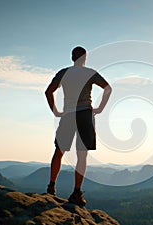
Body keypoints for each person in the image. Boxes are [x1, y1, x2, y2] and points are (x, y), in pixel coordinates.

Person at [45, 46, 112, 206]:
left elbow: (49, 91)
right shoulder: (90, 73)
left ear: (72, 57)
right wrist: (100, 108)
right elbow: (108, 88)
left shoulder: (63, 73)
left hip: (68, 115)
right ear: (85, 58)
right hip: (85, 115)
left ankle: (51, 187)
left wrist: (55, 111)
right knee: (82, 155)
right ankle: (76, 192)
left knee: (59, 151)